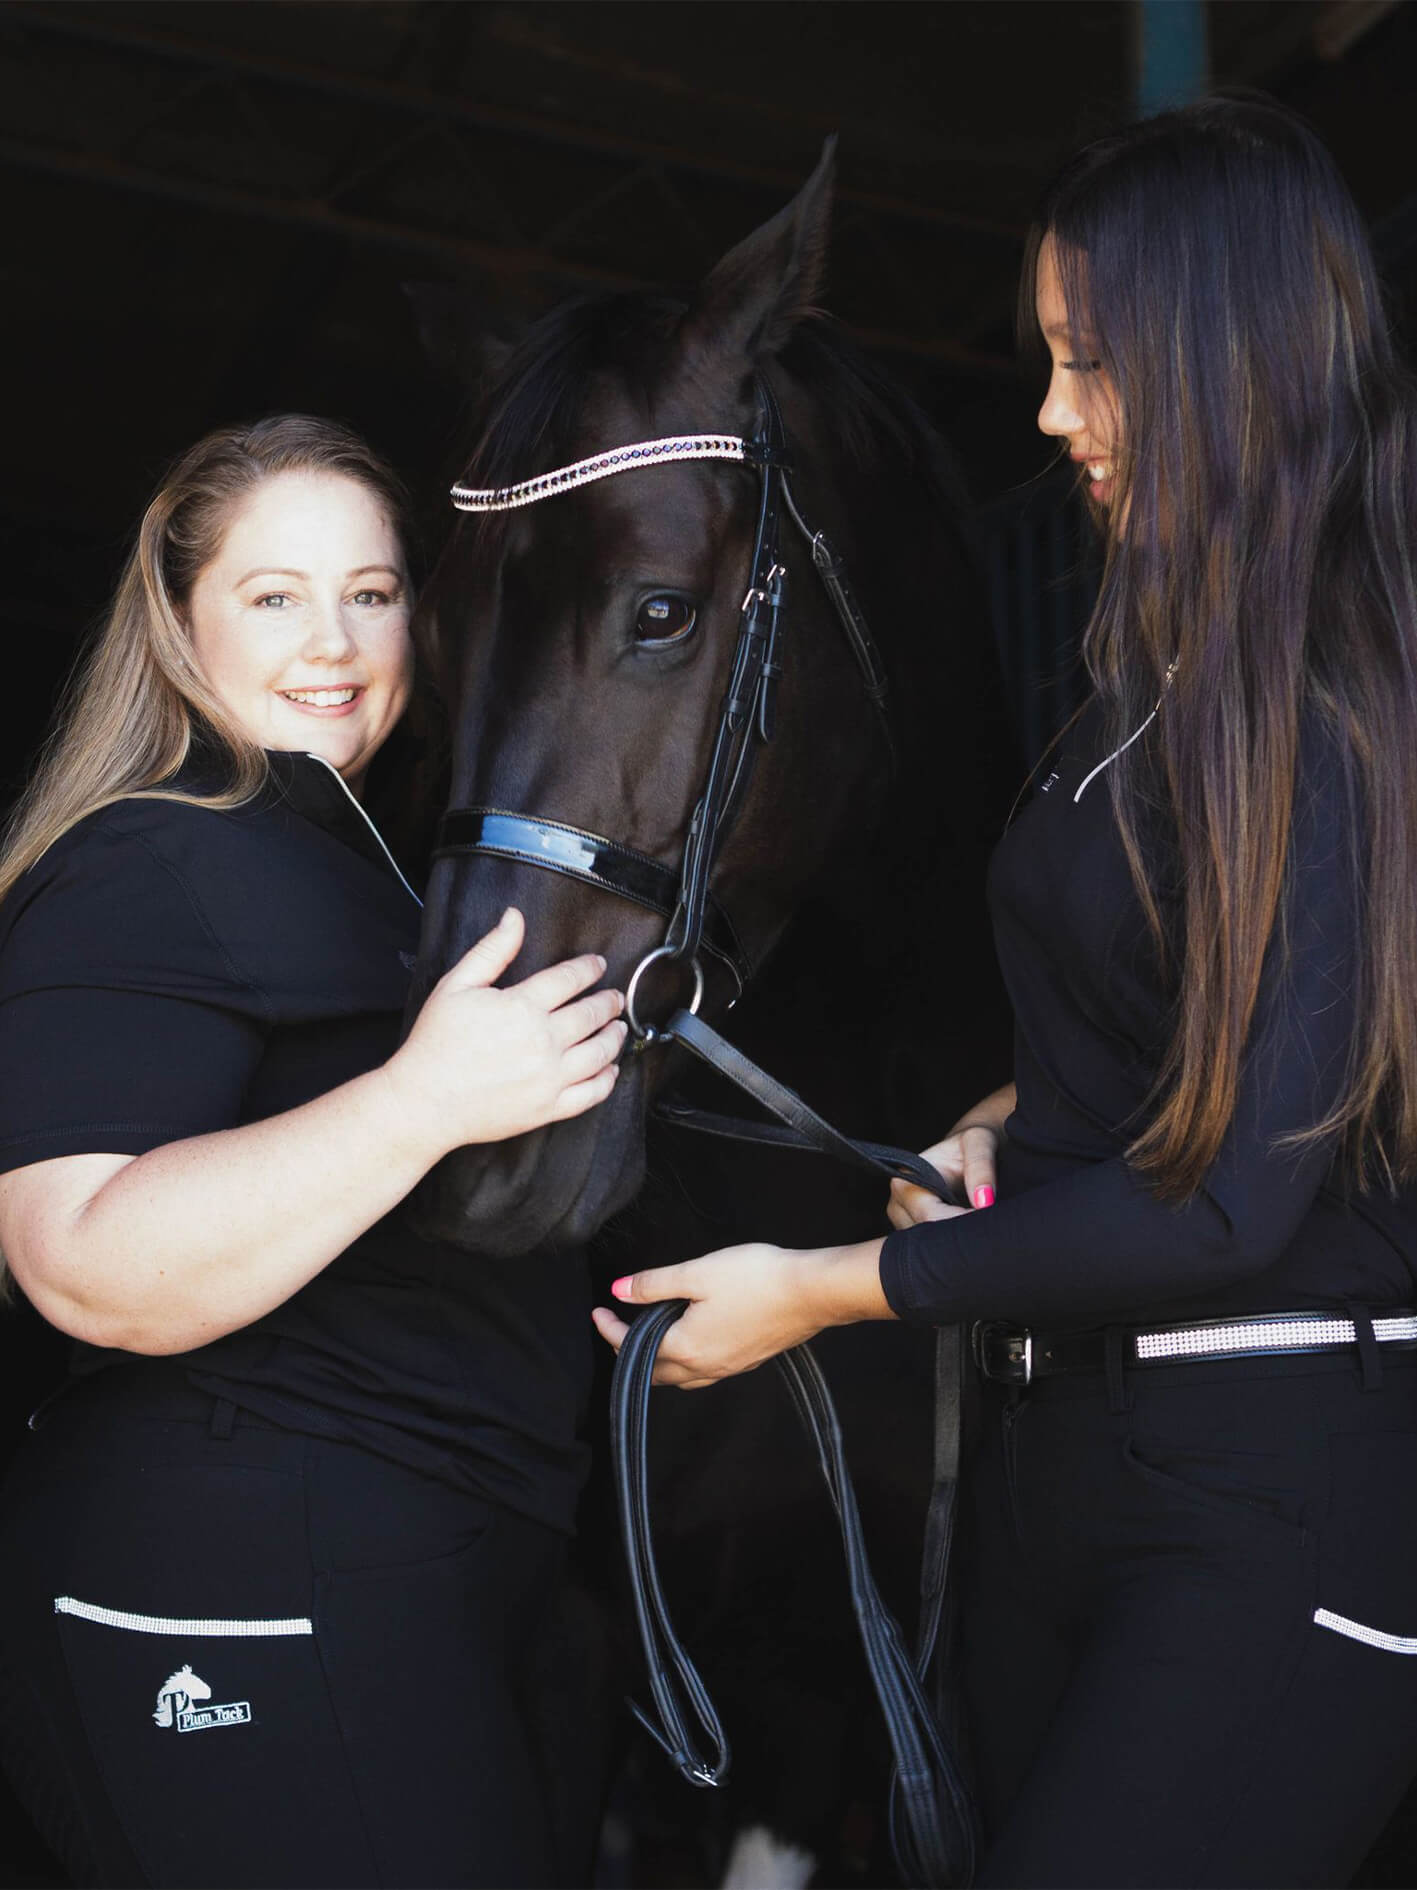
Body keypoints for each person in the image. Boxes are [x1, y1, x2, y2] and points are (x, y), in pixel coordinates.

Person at [595, 97, 1417, 1889]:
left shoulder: (1344, 727)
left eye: (1091, 363)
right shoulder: (1148, 676)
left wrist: (822, 1290)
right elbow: (1142, 1053)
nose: (1048, 415)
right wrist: (996, 1129)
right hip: (1072, 1462)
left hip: (1271, 1476)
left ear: (1229, 361)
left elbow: (1227, 1206)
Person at [0, 415, 625, 1889]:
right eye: (273, 594)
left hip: (415, 1547)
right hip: (243, 1555)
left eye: (373, 589)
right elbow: (82, 1260)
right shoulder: (148, 854)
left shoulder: (362, 872)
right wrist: (422, 1098)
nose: (333, 639)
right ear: (178, 621)